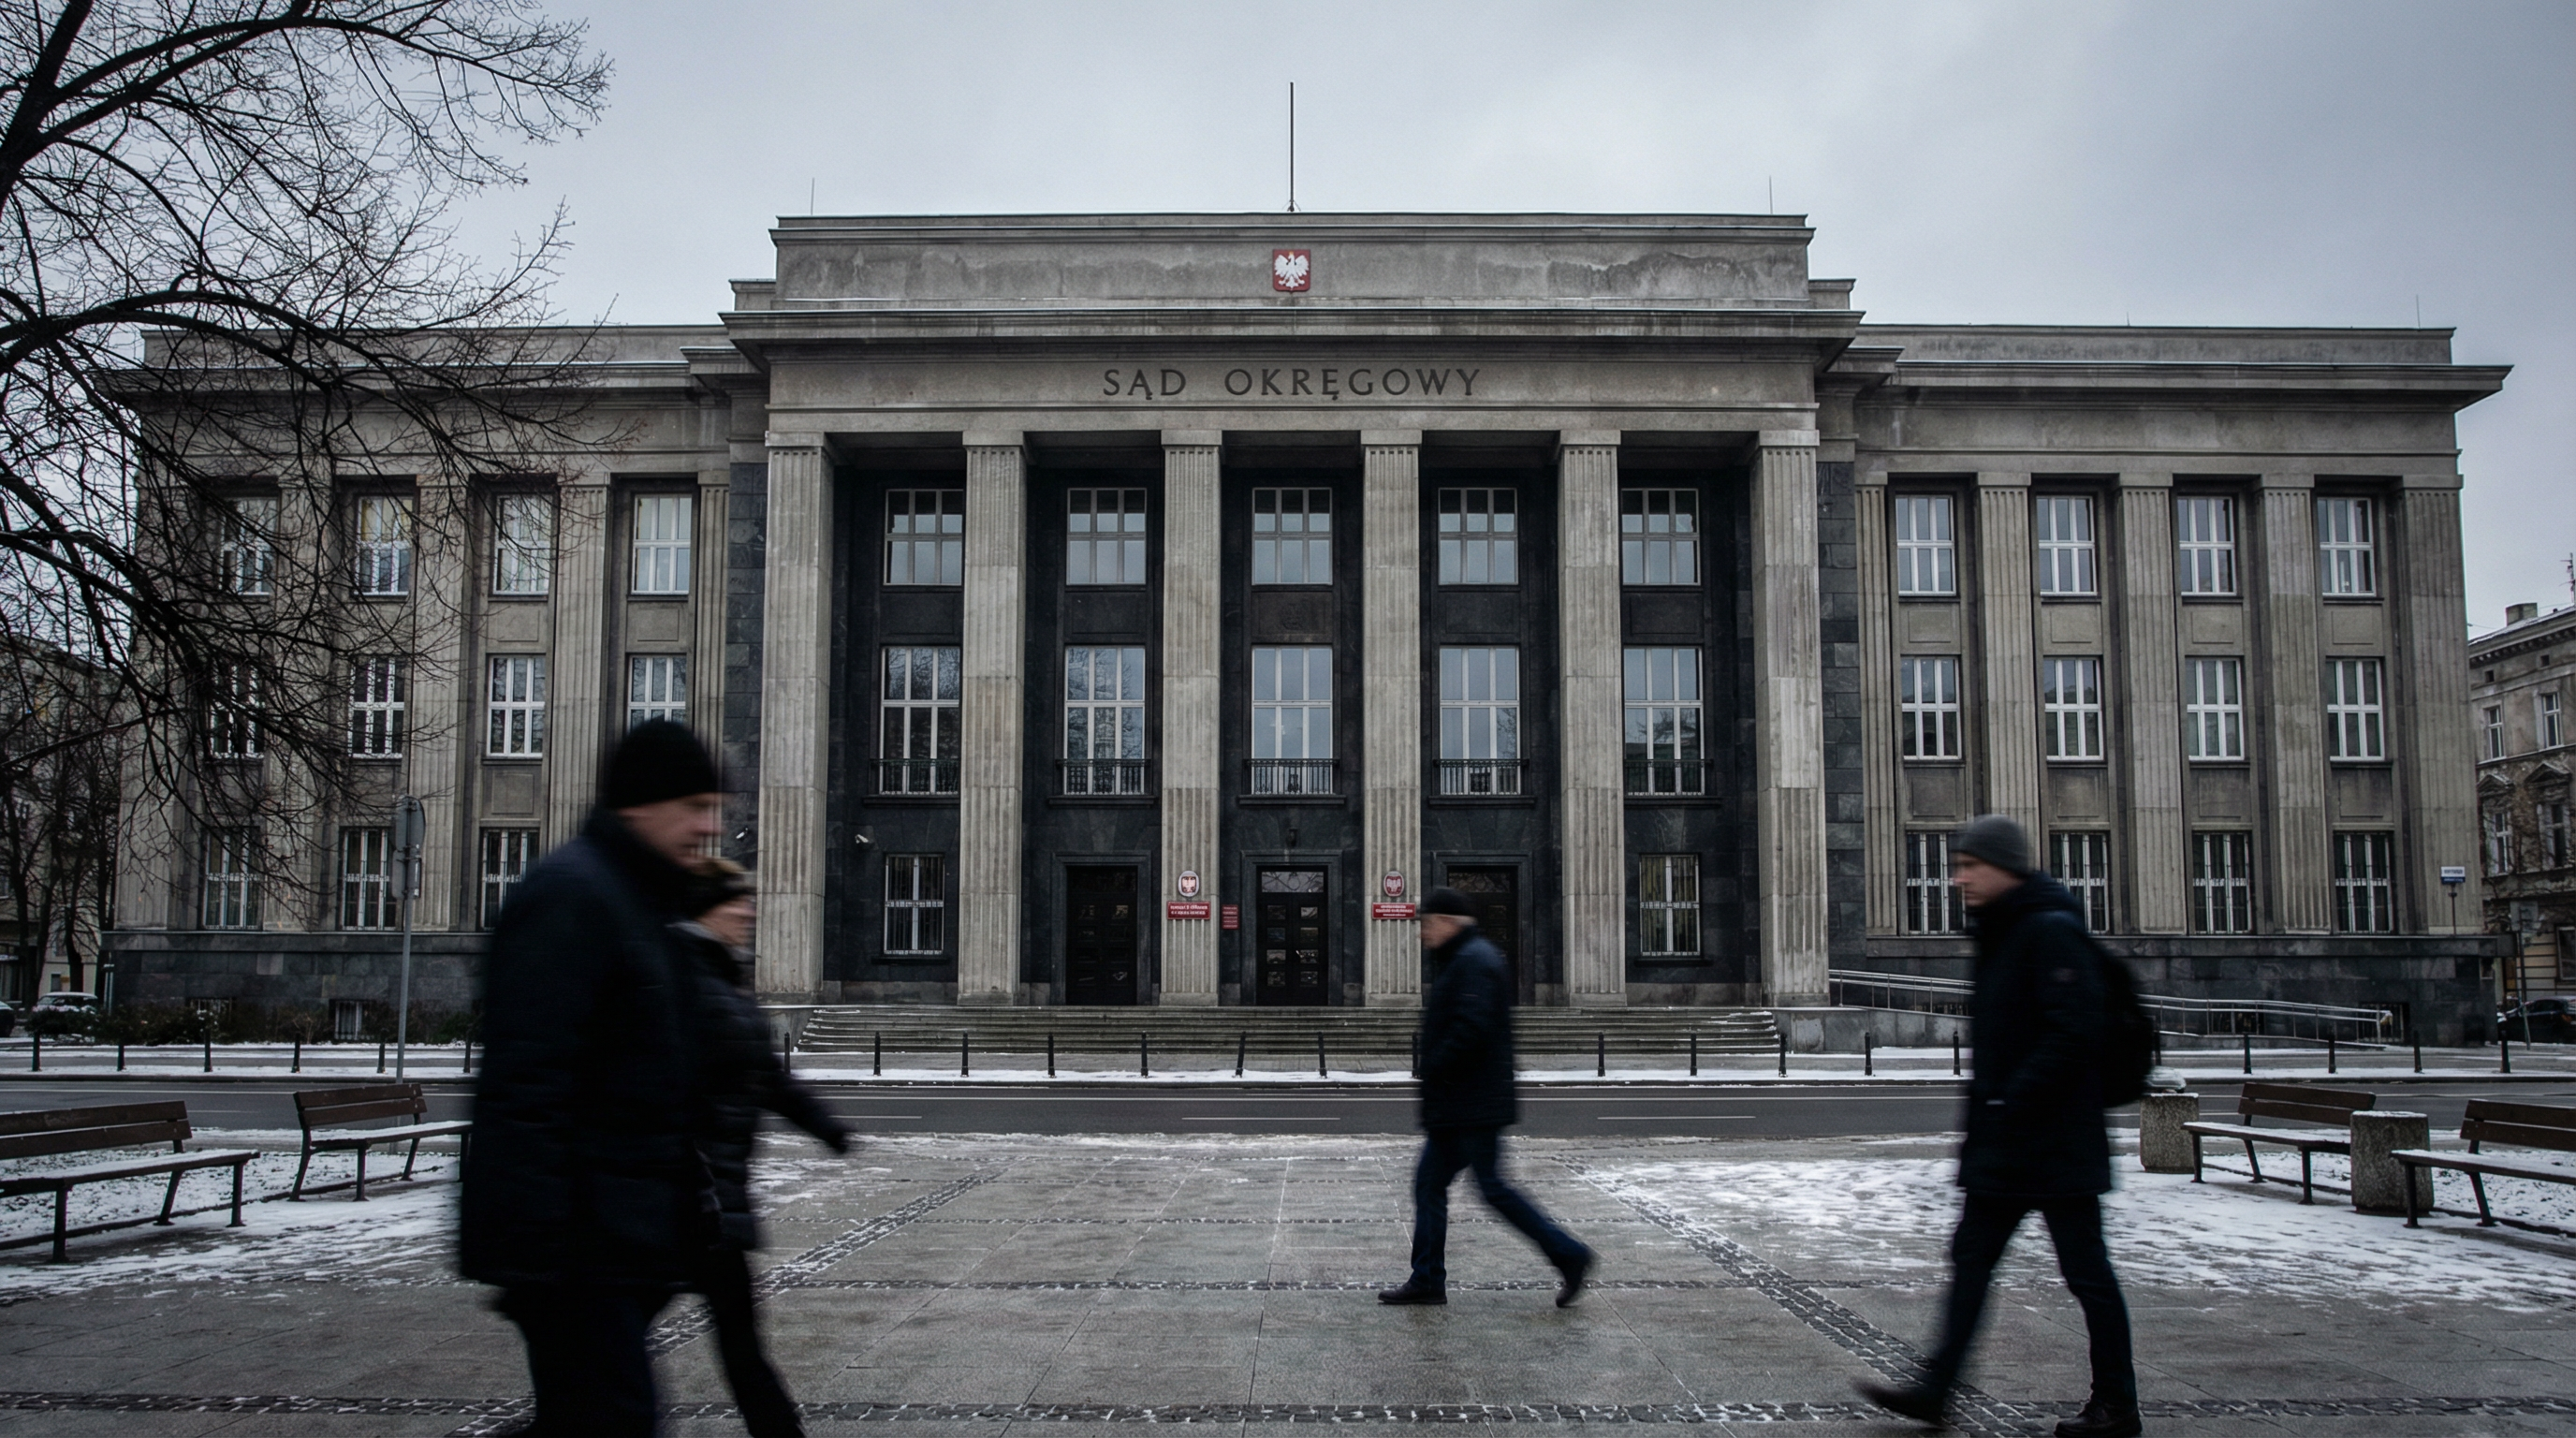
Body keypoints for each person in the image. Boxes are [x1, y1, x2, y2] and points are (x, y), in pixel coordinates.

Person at [461, 719, 726, 1436]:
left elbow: (650, 1083)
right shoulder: (574, 897)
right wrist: (539, 1256)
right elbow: (528, 1085)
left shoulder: (639, 905)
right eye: (696, 806)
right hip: (574, 1252)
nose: (710, 825)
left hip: (617, 1245)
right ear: (643, 804)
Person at [1857, 815, 2141, 1438]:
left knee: (2087, 1274)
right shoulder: (2006, 932)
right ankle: (1936, 1388)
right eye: (1956, 865)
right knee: (1972, 1258)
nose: (1957, 877)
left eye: (1969, 865)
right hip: (2011, 1145)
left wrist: (2012, 1100)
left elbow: (2074, 1033)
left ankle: (2117, 1405)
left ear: (2005, 867)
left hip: (2056, 1144)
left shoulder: (2050, 930)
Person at [675, 858, 851, 1438]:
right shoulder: (682, 978)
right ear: (708, 909)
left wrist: (826, 1127)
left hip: (710, 1201)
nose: (751, 911)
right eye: (738, 902)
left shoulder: (722, 976)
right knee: (603, 1381)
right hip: (683, 1197)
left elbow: (766, 1077)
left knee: (742, 1347)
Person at [1378, 888, 1594, 1308]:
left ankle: (1571, 1254)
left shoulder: (1473, 960)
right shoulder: (1465, 958)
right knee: (1432, 1185)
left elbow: (1471, 1028)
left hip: (1471, 1104)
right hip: (1463, 1104)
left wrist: (1434, 1064)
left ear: (1446, 922)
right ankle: (1426, 1279)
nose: (1423, 933)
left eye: (1426, 924)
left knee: (1492, 1189)